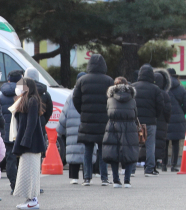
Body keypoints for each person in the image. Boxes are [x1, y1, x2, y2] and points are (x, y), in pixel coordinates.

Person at [73, 54, 113, 186]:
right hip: (103, 120)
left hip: (87, 120)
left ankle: (87, 177)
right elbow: (112, 100)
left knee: (88, 150)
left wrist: (83, 111)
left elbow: (76, 100)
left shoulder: (82, 80)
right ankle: (104, 178)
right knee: (103, 150)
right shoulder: (108, 81)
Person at [9, 78, 46, 210]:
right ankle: (30, 198)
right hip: (27, 142)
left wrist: (26, 140)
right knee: (27, 170)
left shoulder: (32, 100)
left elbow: (31, 123)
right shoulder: (25, 100)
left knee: (31, 171)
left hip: (31, 143)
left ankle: (33, 199)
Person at [57, 72, 96, 185]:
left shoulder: (71, 95)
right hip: (88, 127)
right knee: (87, 152)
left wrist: (60, 130)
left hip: (72, 129)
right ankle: (87, 176)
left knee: (73, 151)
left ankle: (74, 177)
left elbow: (64, 114)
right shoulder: (91, 94)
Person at [102, 77, 139, 188]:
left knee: (114, 153)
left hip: (113, 126)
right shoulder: (132, 99)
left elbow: (108, 112)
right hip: (129, 127)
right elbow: (135, 114)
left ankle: (116, 180)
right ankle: (127, 181)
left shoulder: (110, 99)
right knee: (129, 152)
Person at [133, 64, 164, 177]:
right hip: (150, 121)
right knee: (150, 145)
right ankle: (149, 169)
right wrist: (155, 115)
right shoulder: (155, 88)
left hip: (136, 121)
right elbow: (160, 105)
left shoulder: (133, 86)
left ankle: (131, 169)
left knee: (135, 144)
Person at [0, 70, 24, 193]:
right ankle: (23, 184)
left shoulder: (1, 95)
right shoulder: (23, 94)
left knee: (10, 158)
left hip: (7, 130)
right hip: (20, 130)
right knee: (23, 158)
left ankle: (13, 184)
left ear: (8, 80)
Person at [164, 68, 186, 172]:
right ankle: (174, 165)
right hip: (178, 118)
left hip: (165, 118)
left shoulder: (163, 87)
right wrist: (181, 113)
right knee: (175, 143)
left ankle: (163, 165)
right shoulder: (181, 88)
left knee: (164, 142)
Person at [24, 68, 53, 136]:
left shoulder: (23, 91)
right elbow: (49, 110)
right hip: (40, 124)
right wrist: (43, 120)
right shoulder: (45, 93)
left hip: (25, 126)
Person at [153, 69, 172, 172]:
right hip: (161, 121)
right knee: (159, 142)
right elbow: (168, 109)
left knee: (149, 142)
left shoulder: (149, 90)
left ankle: (148, 164)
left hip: (149, 120)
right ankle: (156, 163)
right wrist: (167, 120)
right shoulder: (164, 94)